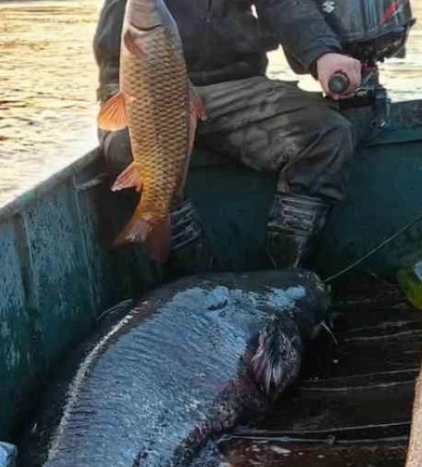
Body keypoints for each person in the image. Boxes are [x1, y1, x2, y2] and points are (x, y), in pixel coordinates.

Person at [93, 0, 361, 270]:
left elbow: (283, 5)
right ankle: (196, 283)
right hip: (146, 88)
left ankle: (283, 281)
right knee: (122, 147)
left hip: (233, 83)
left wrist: (323, 53)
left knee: (326, 132)